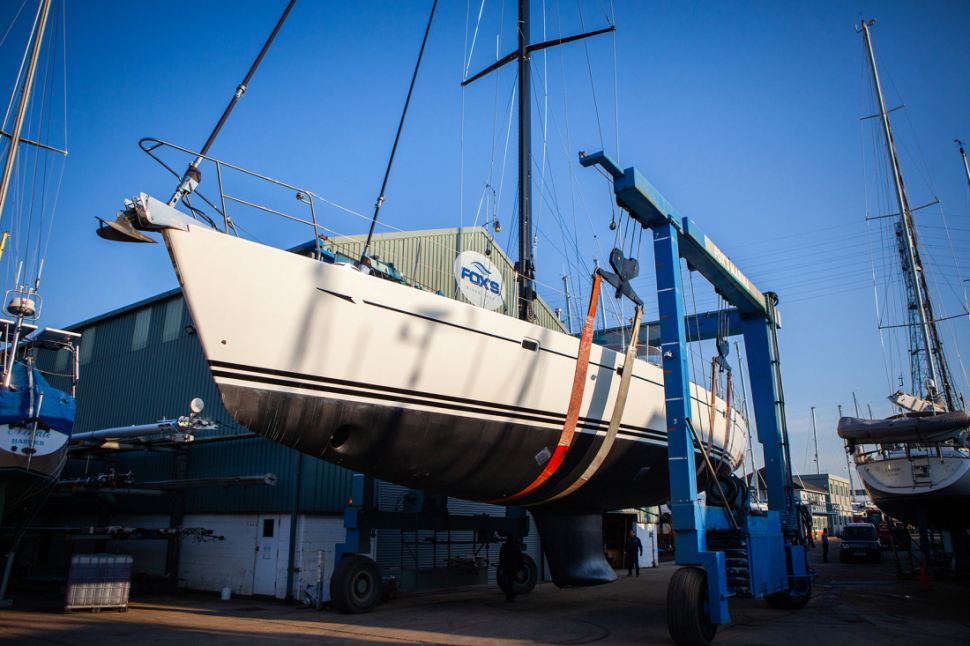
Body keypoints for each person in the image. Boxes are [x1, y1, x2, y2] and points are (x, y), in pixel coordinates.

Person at [498, 537, 523, 602]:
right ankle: (511, 596)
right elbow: (520, 558)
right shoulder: (515, 547)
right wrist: (520, 567)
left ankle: (509, 597)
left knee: (509, 582)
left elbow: (501, 558)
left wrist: (501, 567)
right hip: (512, 567)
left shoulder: (505, 547)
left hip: (508, 567)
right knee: (511, 582)